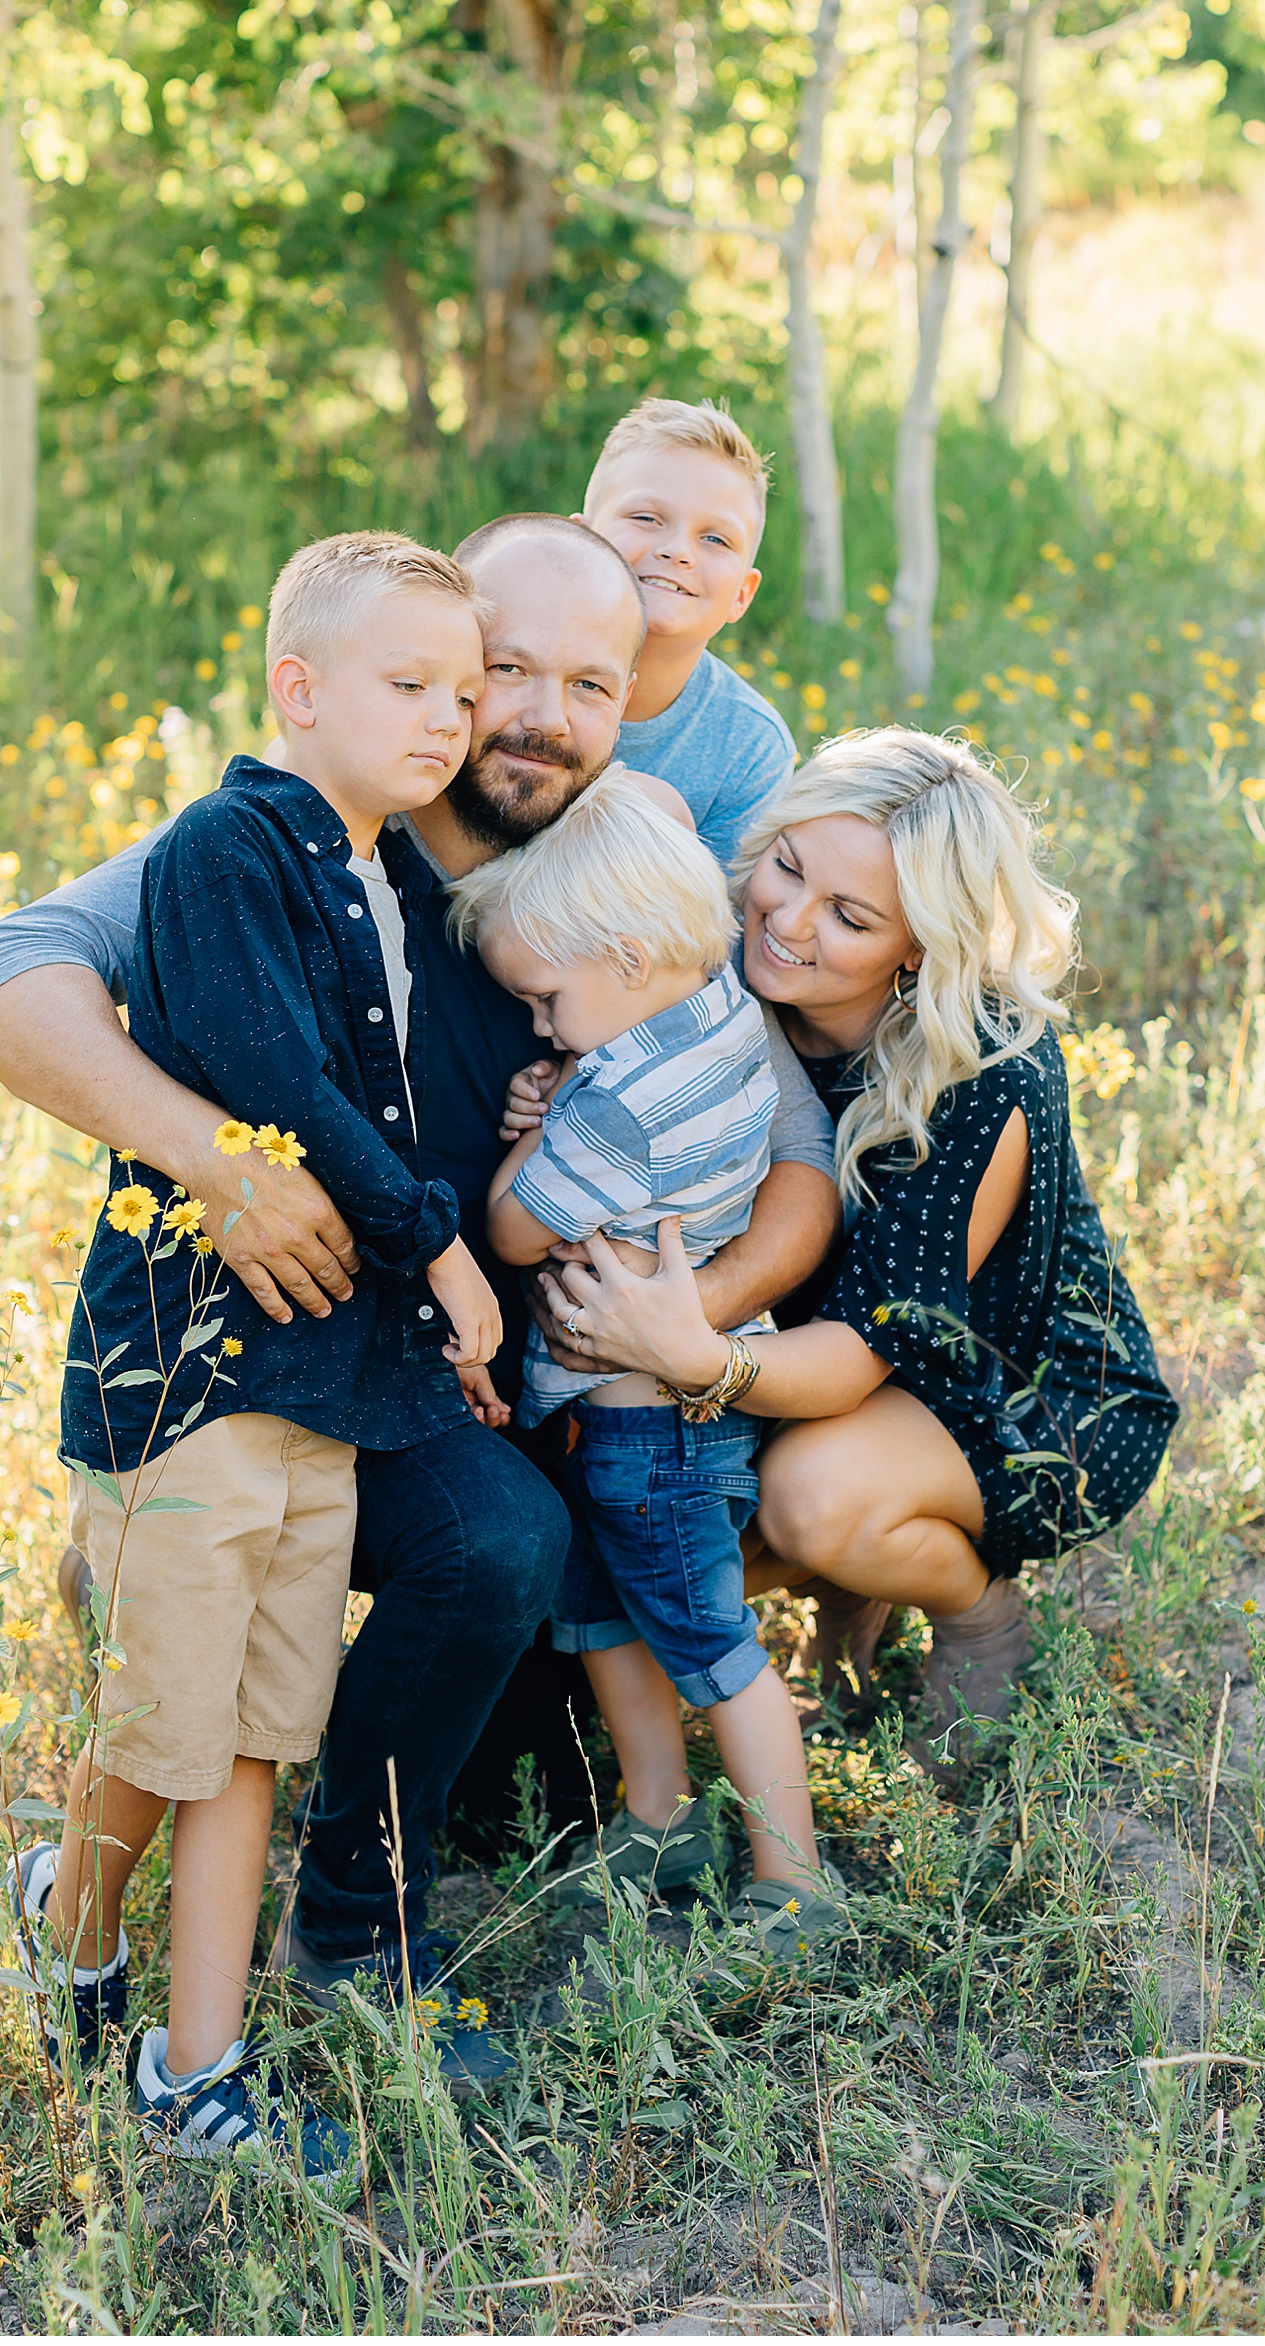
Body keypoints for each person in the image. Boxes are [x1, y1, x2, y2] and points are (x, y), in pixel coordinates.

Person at [0, 512, 839, 2086]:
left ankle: (356, 1911)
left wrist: (684, 1325)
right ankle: (159, 1906)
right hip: (300, 1326)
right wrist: (221, 1157)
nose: (537, 715)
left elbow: (793, 1130)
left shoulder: (625, 849)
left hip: (488, 1358)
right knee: (461, 1541)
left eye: (591, 684)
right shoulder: (304, 831)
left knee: (507, 1538)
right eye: (502, 672)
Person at [13, 529, 502, 2169]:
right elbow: (273, 1082)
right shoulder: (226, 851)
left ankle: (191, 2067)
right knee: (166, 1722)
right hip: (197, 1374)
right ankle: (75, 1922)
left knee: (248, 1739)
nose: (449, 716)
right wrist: (434, 1237)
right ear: (297, 687)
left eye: (464, 686)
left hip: (326, 1387)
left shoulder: (395, 873)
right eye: (407, 684)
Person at [536, 727, 1181, 1763]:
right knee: (632, 1534)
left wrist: (692, 1353)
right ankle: (848, 1581)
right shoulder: (715, 977)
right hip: (816, 1364)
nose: (787, 920)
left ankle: (976, 1608)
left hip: (1017, 1386)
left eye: (849, 915)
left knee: (807, 1500)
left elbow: (877, 1340)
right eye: (787, 867)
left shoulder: (986, 1065)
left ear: (917, 943)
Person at [453, 771, 836, 1952]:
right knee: (606, 1618)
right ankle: (658, 1816)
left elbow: (513, 1228)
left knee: (710, 1643)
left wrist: (528, 1139)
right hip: (616, 1417)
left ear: (622, 960)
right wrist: (569, 1082)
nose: (539, 1025)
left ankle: (796, 1881)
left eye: (549, 999)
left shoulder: (622, 1098)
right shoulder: (706, 1001)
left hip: (649, 1427)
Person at [577, 396, 795, 869]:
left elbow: (711, 932)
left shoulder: (748, 750)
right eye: (646, 518)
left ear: (742, 594)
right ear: (580, 541)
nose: (677, 551)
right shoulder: (490, 665)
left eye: (715, 538)